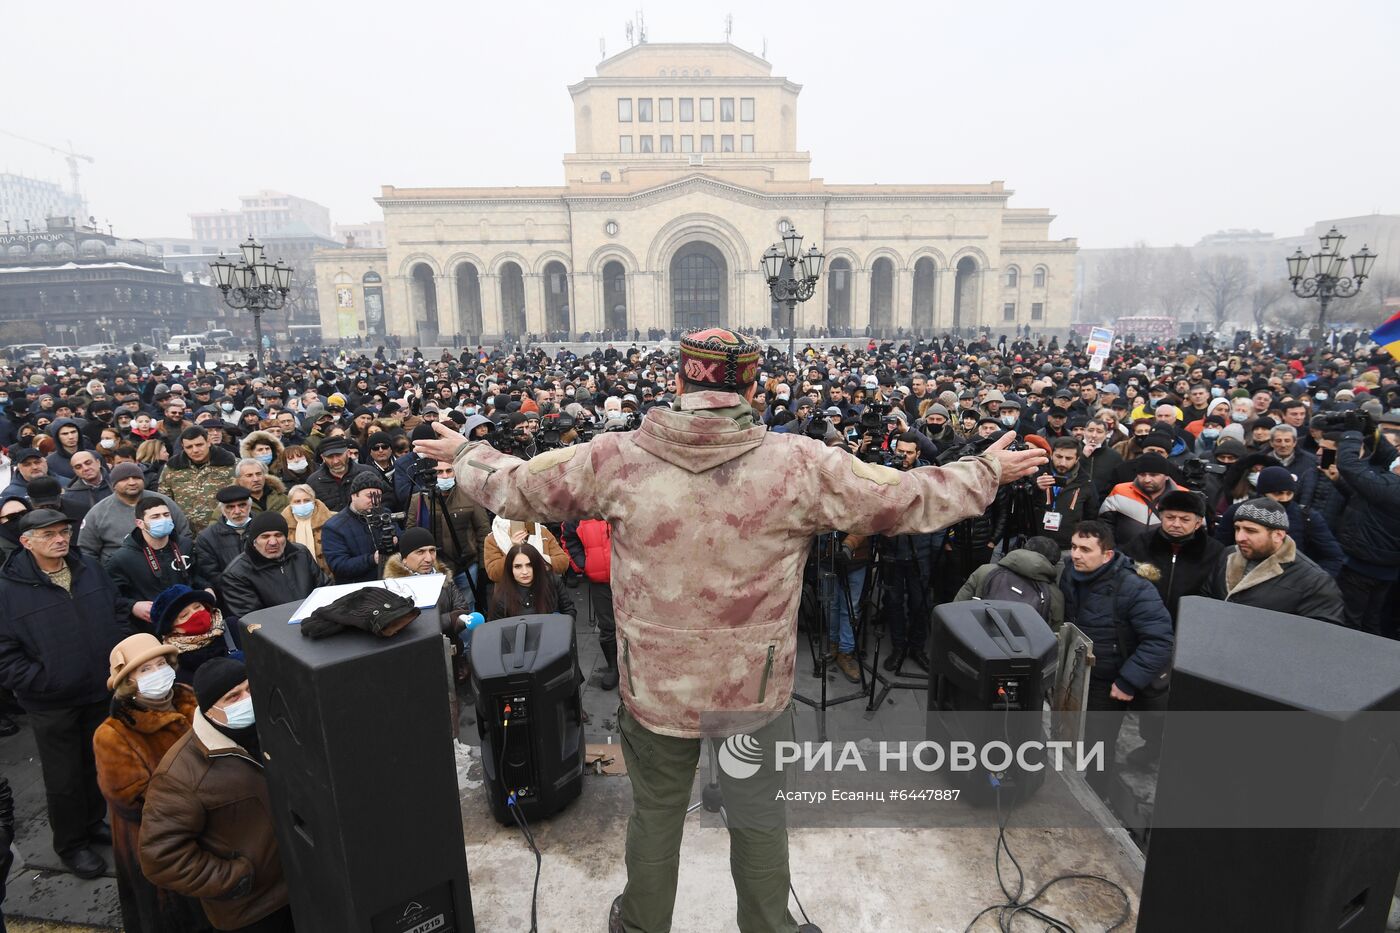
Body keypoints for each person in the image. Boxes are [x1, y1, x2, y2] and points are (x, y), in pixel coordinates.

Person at [414, 326, 1044, 933]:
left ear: (679, 380)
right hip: (753, 693)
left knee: (656, 816)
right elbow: (905, 498)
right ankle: (767, 927)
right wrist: (983, 471)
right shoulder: (799, 464)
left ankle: (641, 923)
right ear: (751, 388)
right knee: (760, 818)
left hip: (656, 690)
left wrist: (467, 452)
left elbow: (518, 488)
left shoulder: (614, 458)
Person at [0, 509, 127, 879]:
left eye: (64, 531)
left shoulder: (88, 567)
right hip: (51, 701)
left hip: (99, 688)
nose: (60, 538)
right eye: (49, 534)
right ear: (26, 542)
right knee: (64, 778)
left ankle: (92, 823)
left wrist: (115, 652)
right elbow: (4, 654)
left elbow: (117, 610)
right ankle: (71, 844)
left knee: (97, 765)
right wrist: (45, 680)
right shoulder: (8, 589)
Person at [139, 658, 294, 933]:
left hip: (299, 884)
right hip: (253, 910)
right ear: (209, 710)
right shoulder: (180, 775)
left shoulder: (272, 724)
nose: (246, 700)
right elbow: (159, 857)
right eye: (233, 696)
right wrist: (236, 878)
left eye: (249, 689)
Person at [91, 634, 211, 933]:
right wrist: (202, 800)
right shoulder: (113, 733)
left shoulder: (189, 698)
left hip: (213, 830)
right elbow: (133, 801)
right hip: (163, 843)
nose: (158, 673)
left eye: (161, 664)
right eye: (145, 670)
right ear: (128, 682)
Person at [1059, 520, 1174, 797]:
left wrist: (1127, 681)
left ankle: (1095, 796)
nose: (1076, 554)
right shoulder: (1069, 575)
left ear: (1107, 555)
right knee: (1067, 735)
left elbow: (1159, 640)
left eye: (1085, 549)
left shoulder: (1135, 588)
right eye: (1074, 547)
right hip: (1074, 674)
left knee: (1098, 744)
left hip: (1108, 682)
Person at [1203, 497, 1344, 625]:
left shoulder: (1315, 582)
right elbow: (1205, 597)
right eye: (1237, 529)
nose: (1240, 537)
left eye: (1250, 531)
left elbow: (1320, 636)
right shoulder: (1228, 555)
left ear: (1278, 535)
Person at [1333, 427, 1400, 637]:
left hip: (1364, 567)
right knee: (1371, 620)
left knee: (1351, 620)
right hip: (1385, 567)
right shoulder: (1390, 487)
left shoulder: (1391, 489)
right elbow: (1390, 456)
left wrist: (1351, 433)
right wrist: (1371, 430)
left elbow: (1348, 465)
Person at [382, 527, 473, 680]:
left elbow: (463, 611)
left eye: (432, 551)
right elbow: (406, 627)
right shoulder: (393, 588)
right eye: (420, 552)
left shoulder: (443, 579)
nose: (429, 558)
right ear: (404, 558)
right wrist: (449, 619)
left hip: (450, 656)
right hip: (415, 664)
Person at [404, 458, 490, 609]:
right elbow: (411, 534)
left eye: (449, 471)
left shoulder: (470, 495)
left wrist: (484, 566)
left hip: (467, 565)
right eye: (439, 472)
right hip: (433, 568)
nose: (444, 476)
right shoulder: (419, 500)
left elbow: (483, 531)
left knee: (467, 607)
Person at [105, 497, 198, 631]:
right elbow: (112, 596)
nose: (163, 520)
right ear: (140, 523)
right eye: (155, 517)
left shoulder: (185, 545)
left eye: (166, 515)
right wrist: (133, 606)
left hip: (189, 622)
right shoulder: (122, 559)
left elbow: (197, 576)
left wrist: (207, 588)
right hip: (152, 628)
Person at [77, 462, 193, 566]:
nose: (132, 482)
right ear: (114, 484)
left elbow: (184, 534)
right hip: (120, 572)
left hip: (167, 564)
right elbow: (87, 551)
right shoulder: (98, 512)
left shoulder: (163, 502)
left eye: (136, 478)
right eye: (124, 479)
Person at [220, 512, 329, 621]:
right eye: (265, 536)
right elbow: (254, 620)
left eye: (278, 535)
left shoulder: (300, 553)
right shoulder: (236, 574)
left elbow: (324, 589)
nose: (273, 542)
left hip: (317, 621)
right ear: (254, 541)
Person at [955, 535, 1066, 629]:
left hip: (976, 642)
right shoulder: (1055, 595)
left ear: (1023, 549)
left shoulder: (985, 571)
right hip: (1022, 652)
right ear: (1053, 564)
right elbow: (1053, 636)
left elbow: (955, 608)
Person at [562, 517, 619, 688]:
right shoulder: (580, 509)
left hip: (631, 578)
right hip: (600, 580)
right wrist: (584, 564)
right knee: (608, 626)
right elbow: (569, 537)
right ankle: (613, 667)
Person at [321, 473, 400, 584]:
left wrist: (397, 542)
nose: (374, 501)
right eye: (369, 496)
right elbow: (339, 566)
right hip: (358, 588)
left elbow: (400, 541)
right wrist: (372, 559)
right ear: (354, 496)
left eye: (378, 496)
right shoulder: (334, 527)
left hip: (391, 580)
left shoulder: (385, 514)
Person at [160, 427, 237, 536]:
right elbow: (165, 500)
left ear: (209, 442)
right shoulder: (172, 468)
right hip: (184, 533)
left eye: (199, 445)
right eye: (189, 447)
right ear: (183, 447)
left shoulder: (231, 464)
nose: (195, 450)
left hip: (223, 532)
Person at [152, 585, 238, 683]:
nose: (195, 614)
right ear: (173, 629)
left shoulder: (232, 626)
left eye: (197, 607)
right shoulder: (176, 661)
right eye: (184, 615)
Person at [1031, 438, 1099, 549]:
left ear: (1077, 459)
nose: (1062, 462)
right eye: (1059, 457)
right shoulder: (1036, 474)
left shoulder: (1086, 482)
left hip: (1067, 547)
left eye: (1068, 458)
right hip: (1035, 543)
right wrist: (1036, 488)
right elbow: (1022, 506)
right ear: (1052, 455)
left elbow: (1091, 516)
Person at [1098, 453, 1179, 542]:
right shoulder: (1120, 491)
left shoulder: (1182, 496)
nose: (1147, 479)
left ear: (1166, 476)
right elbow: (1105, 523)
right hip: (1124, 552)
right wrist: (1111, 547)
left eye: (1153, 475)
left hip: (1164, 553)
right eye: (1142, 474)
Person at [488, 542, 575, 620]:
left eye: (529, 565)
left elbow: (569, 611)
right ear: (510, 569)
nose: (525, 572)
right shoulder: (501, 595)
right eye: (518, 566)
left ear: (537, 565)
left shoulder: (552, 581)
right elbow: (496, 628)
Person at [195, 486, 255, 594]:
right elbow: (211, 574)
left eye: (242, 505)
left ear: (250, 507)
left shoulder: (264, 528)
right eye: (230, 507)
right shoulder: (207, 538)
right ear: (222, 511)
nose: (237, 511)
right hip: (231, 595)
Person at [482, 514, 569, 582]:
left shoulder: (541, 531)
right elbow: (494, 575)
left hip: (543, 590)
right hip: (511, 595)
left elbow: (563, 563)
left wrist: (539, 558)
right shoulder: (493, 538)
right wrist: (512, 549)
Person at [281, 483, 335, 579]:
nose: (302, 504)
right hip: (297, 579)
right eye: (297, 501)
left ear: (314, 501)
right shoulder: (282, 526)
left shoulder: (333, 520)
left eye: (306, 500)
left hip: (331, 577)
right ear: (290, 504)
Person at [305, 437, 372, 513]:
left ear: (348, 453)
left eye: (339, 455)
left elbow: (385, 498)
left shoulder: (368, 473)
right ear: (323, 458)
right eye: (330, 457)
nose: (336, 461)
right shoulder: (314, 482)